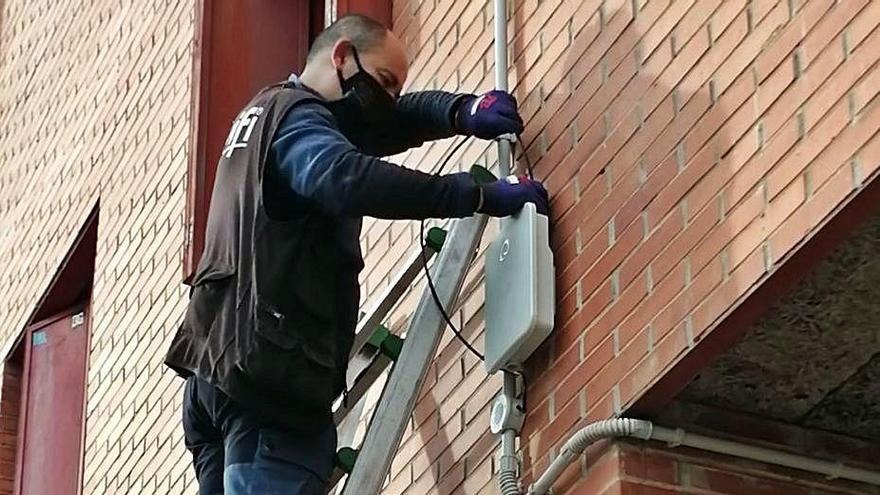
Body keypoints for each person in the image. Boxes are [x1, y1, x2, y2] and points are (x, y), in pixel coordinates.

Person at [164, 13, 549, 495]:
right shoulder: (300, 120)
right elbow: (341, 177)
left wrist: (460, 111)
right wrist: (475, 196)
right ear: (342, 57)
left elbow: (390, 121)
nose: (386, 101)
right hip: (270, 384)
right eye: (384, 82)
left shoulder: (269, 116)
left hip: (218, 376)